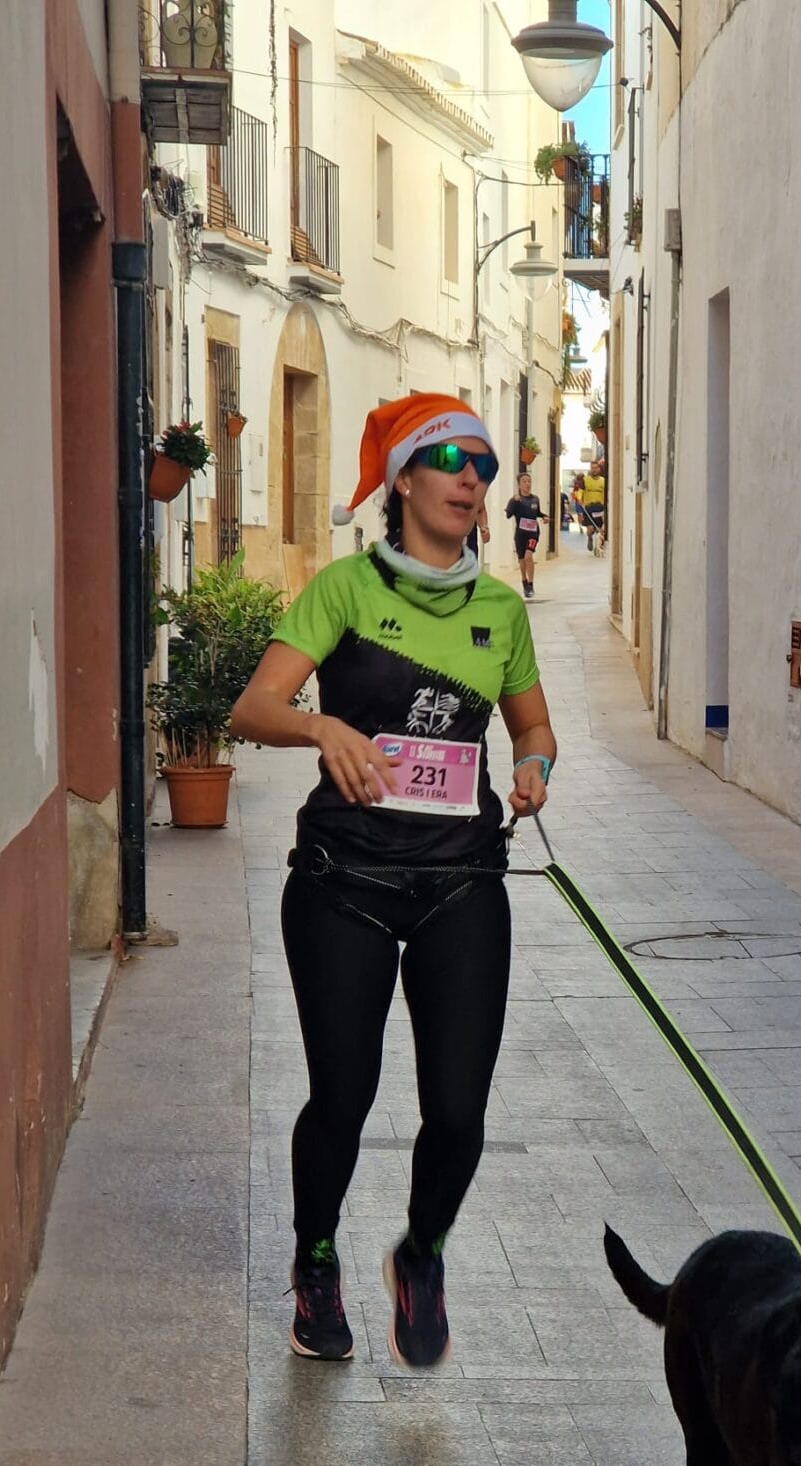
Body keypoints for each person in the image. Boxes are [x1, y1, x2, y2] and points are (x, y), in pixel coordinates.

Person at [229, 394, 557, 1369]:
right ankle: (316, 1259)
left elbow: (533, 724)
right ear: (403, 478)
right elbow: (253, 707)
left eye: (485, 467)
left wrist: (535, 765)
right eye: (452, 460)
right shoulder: (343, 590)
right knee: (344, 1094)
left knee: (458, 1110)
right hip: (345, 878)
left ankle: (422, 1252)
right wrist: (320, 726)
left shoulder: (499, 609)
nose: (472, 479)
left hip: (461, 879)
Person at [504, 472, 547, 600]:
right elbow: (508, 514)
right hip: (520, 534)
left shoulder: (535, 499)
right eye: (524, 481)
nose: (527, 484)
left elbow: (537, 513)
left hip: (533, 533)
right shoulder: (515, 499)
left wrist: (544, 517)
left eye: (529, 481)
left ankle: (531, 584)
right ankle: (524, 582)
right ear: (519, 484)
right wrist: (514, 502)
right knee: (522, 559)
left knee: (529, 556)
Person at [580, 462, 605, 553]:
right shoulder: (585, 480)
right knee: (590, 529)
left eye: (595, 468)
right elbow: (580, 491)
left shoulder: (603, 481)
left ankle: (599, 547)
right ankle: (590, 537)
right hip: (588, 508)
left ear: (599, 469)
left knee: (601, 530)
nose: (594, 470)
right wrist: (579, 499)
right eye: (592, 468)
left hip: (600, 508)